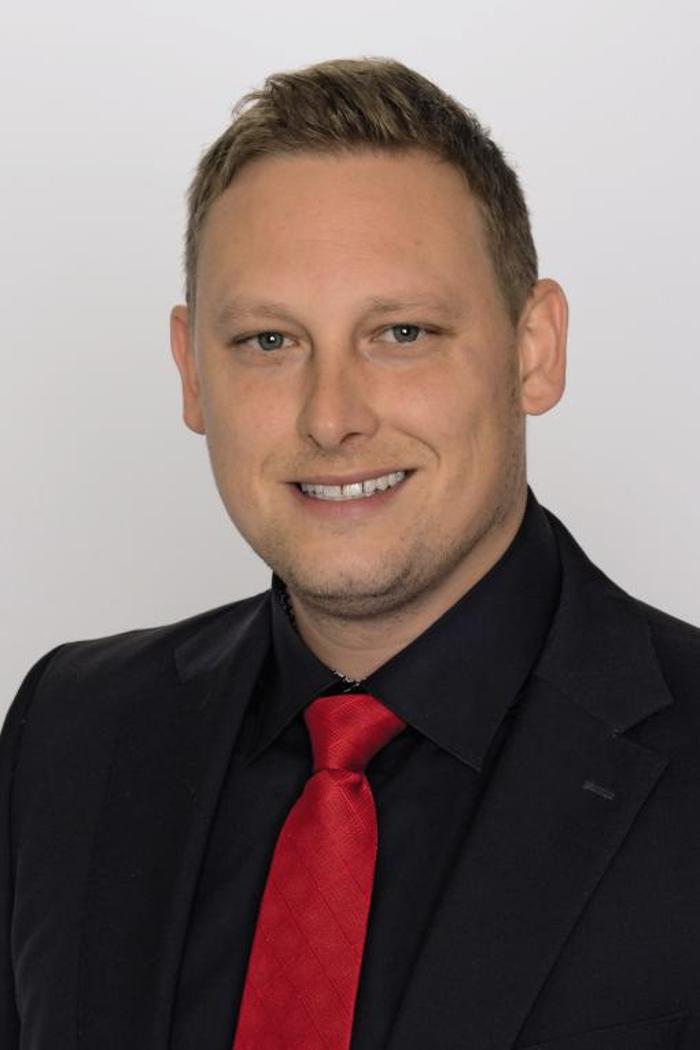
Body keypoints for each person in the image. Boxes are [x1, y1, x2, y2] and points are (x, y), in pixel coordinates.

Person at [1, 55, 699, 1050]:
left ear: (533, 349)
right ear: (191, 372)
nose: (331, 418)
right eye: (269, 342)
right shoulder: (69, 732)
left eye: (401, 332)